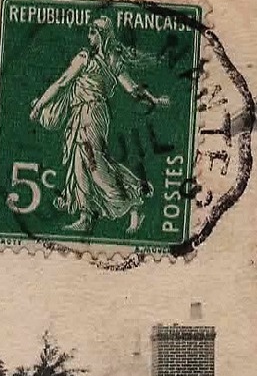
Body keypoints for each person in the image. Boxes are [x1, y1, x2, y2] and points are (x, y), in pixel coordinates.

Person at [28, 15, 170, 235]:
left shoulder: (98, 59)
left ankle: (133, 202)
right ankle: (85, 216)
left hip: (92, 114)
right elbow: (64, 83)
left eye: (93, 32)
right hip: (80, 114)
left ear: (102, 35)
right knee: (79, 164)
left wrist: (39, 107)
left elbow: (130, 88)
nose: (88, 36)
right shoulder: (95, 58)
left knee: (96, 166)